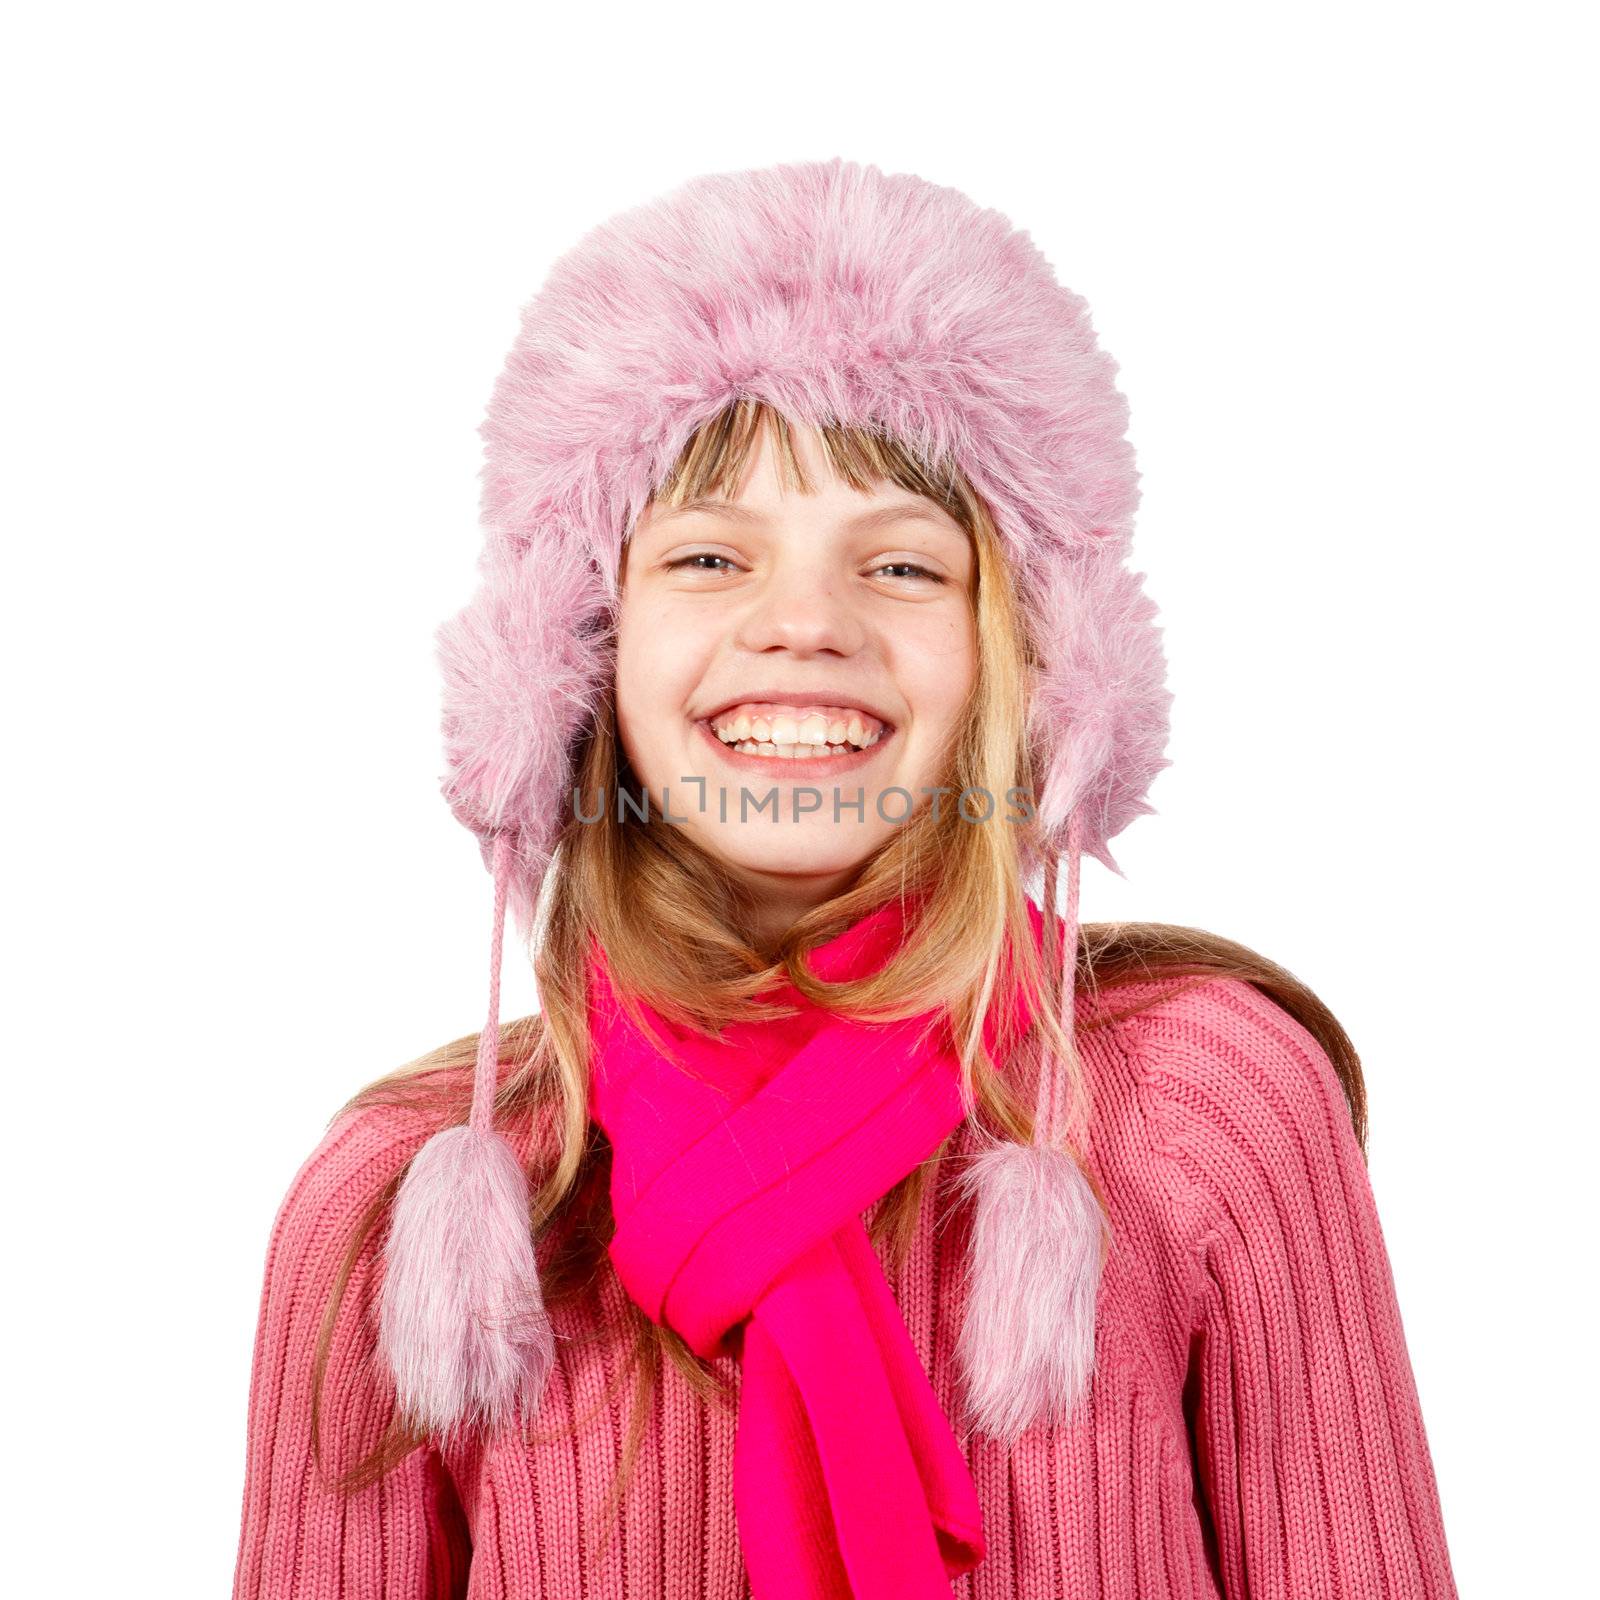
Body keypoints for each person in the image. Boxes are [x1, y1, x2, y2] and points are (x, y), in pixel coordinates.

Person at [231, 158, 1459, 1599]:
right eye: (707, 556)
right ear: (570, 655)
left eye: (902, 568)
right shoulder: (410, 1209)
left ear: (1036, 665)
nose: (804, 623)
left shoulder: (1203, 1105)